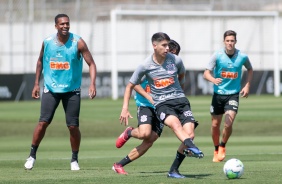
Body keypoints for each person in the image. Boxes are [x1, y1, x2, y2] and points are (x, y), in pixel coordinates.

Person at [118, 32, 204, 175]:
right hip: (157, 104)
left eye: (168, 46)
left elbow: (182, 75)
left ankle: (173, 170)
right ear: (154, 46)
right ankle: (191, 147)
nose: (167, 49)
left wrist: (179, 92)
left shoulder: (175, 61)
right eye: (164, 46)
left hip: (180, 101)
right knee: (163, 128)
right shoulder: (145, 66)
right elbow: (131, 85)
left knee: (188, 134)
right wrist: (126, 107)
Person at [24, 14, 97, 170]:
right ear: (56, 26)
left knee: (73, 126)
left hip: (72, 90)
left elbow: (91, 63)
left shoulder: (78, 42)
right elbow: (39, 61)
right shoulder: (47, 42)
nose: (65, 26)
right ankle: (31, 155)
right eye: (62, 24)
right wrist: (36, 83)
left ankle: (74, 160)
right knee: (43, 123)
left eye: (67, 24)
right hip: (51, 89)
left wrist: (92, 83)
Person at [203, 30, 253, 162]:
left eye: (232, 41)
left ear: (235, 41)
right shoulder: (217, 56)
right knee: (215, 125)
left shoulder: (242, 56)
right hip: (218, 95)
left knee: (228, 123)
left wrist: (247, 85)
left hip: (233, 95)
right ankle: (215, 149)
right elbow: (206, 73)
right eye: (227, 41)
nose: (230, 43)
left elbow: (250, 69)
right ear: (224, 41)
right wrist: (213, 80)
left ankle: (223, 145)